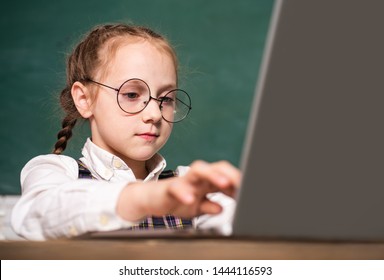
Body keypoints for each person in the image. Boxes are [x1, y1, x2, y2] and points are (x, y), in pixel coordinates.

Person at [11, 23, 240, 240]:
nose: (155, 114)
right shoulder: (53, 170)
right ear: (84, 99)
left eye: (166, 99)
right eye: (131, 94)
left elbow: (241, 225)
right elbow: (36, 213)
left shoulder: (190, 187)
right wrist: (145, 198)